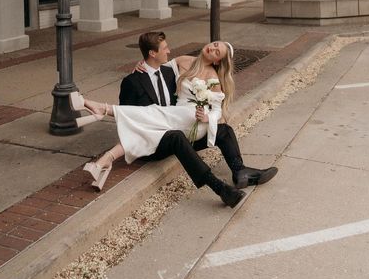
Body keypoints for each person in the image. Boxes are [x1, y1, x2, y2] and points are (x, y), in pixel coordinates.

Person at [70, 33, 277, 207]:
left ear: (217, 60)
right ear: (153, 53)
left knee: (224, 129)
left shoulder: (187, 75)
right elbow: (150, 74)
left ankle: (240, 171)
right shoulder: (170, 67)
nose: (212, 49)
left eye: (217, 52)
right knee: (170, 127)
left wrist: (206, 116)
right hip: (157, 136)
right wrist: (140, 65)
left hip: (184, 124)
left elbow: (218, 111)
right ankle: (220, 188)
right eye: (214, 45)